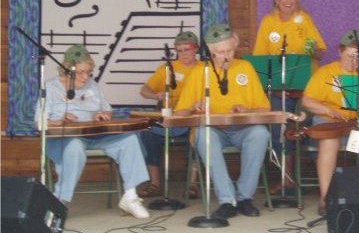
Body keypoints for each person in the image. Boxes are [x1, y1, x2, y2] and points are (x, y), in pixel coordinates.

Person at [35, 45, 150, 219]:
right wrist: (58, 121)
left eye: (89, 72)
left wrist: (102, 115)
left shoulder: (92, 85)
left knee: (130, 139)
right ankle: (59, 202)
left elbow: (107, 110)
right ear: (67, 70)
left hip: (94, 135)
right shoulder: (50, 87)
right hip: (65, 138)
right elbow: (39, 122)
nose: (85, 77)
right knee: (74, 148)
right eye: (81, 72)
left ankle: (130, 196)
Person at [175, 24, 271, 219]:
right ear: (211, 53)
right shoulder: (199, 72)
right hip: (213, 130)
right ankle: (228, 200)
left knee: (261, 133)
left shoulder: (245, 67)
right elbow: (179, 113)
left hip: (242, 128)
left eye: (230, 50)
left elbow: (265, 109)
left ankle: (245, 197)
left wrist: (247, 110)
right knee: (204, 136)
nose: (227, 56)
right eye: (221, 52)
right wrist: (194, 107)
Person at [301, 29, 359, 216]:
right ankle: (326, 199)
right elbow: (307, 101)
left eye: (358, 57)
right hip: (330, 124)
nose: (354, 61)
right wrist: (328, 110)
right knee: (329, 143)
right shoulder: (325, 73)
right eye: (350, 56)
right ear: (339, 52)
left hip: (356, 130)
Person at [253, 0, 327, 194]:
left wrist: (312, 50)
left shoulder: (305, 20)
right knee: (279, 132)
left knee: (307, 130)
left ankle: (325, 184)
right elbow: (260, 58)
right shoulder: (268, 22)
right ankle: (287, 179)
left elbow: (320, 52)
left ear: (297, 0)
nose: (287, 0)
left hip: (305, 90)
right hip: (278, 89)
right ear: (275, 0)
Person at [137, 31, 200, 198]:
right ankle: (155, 184)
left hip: (192, 119)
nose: (183, 53)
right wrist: (155, 96)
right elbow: (144, 90)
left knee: (199, 135)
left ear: (196, 49)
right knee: (147, 134)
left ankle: (194, 184)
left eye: (187, 49)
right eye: (179, 50)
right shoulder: (167, 68)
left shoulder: (204, 69)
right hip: (170, 118)